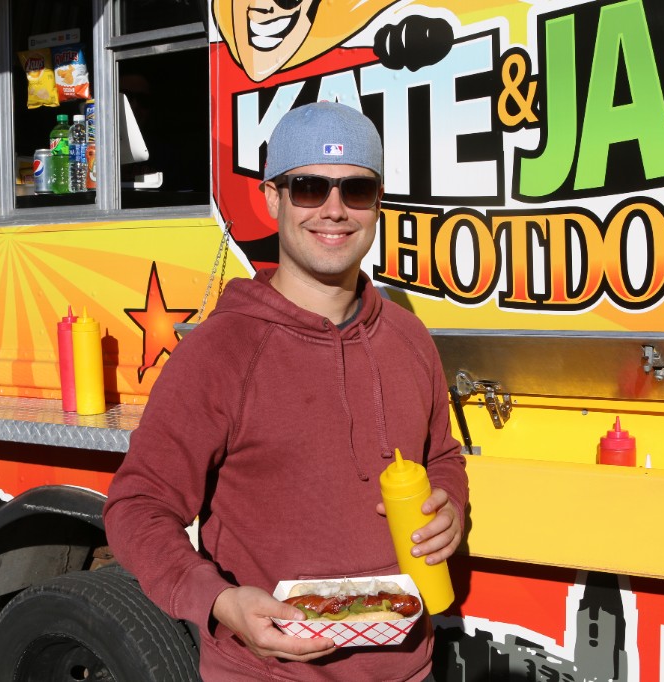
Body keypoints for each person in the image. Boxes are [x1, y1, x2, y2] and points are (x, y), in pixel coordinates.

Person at [104, 101, 468, 681]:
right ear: (273, 199)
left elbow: (442, 456)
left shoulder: (410, 337)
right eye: (309, 188)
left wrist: (450, 505)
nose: (334, 210)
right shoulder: (221, 351)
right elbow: (137, 507)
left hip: (410, 669)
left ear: (378, 204)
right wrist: (220, 601)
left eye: (356, 190)